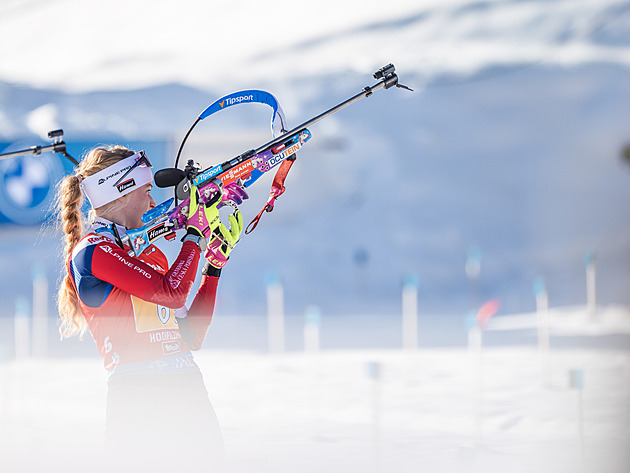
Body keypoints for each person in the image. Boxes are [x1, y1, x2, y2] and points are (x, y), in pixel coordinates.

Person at [56, 145, 245, 472]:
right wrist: (194, 237)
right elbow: (170, 293)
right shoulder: (92, 252)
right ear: (122, 191)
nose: (154, 202)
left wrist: (213, 266)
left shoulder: (150, 253)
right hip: (138, 397)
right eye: (147, 191)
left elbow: (191, 336)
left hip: (188, 390)